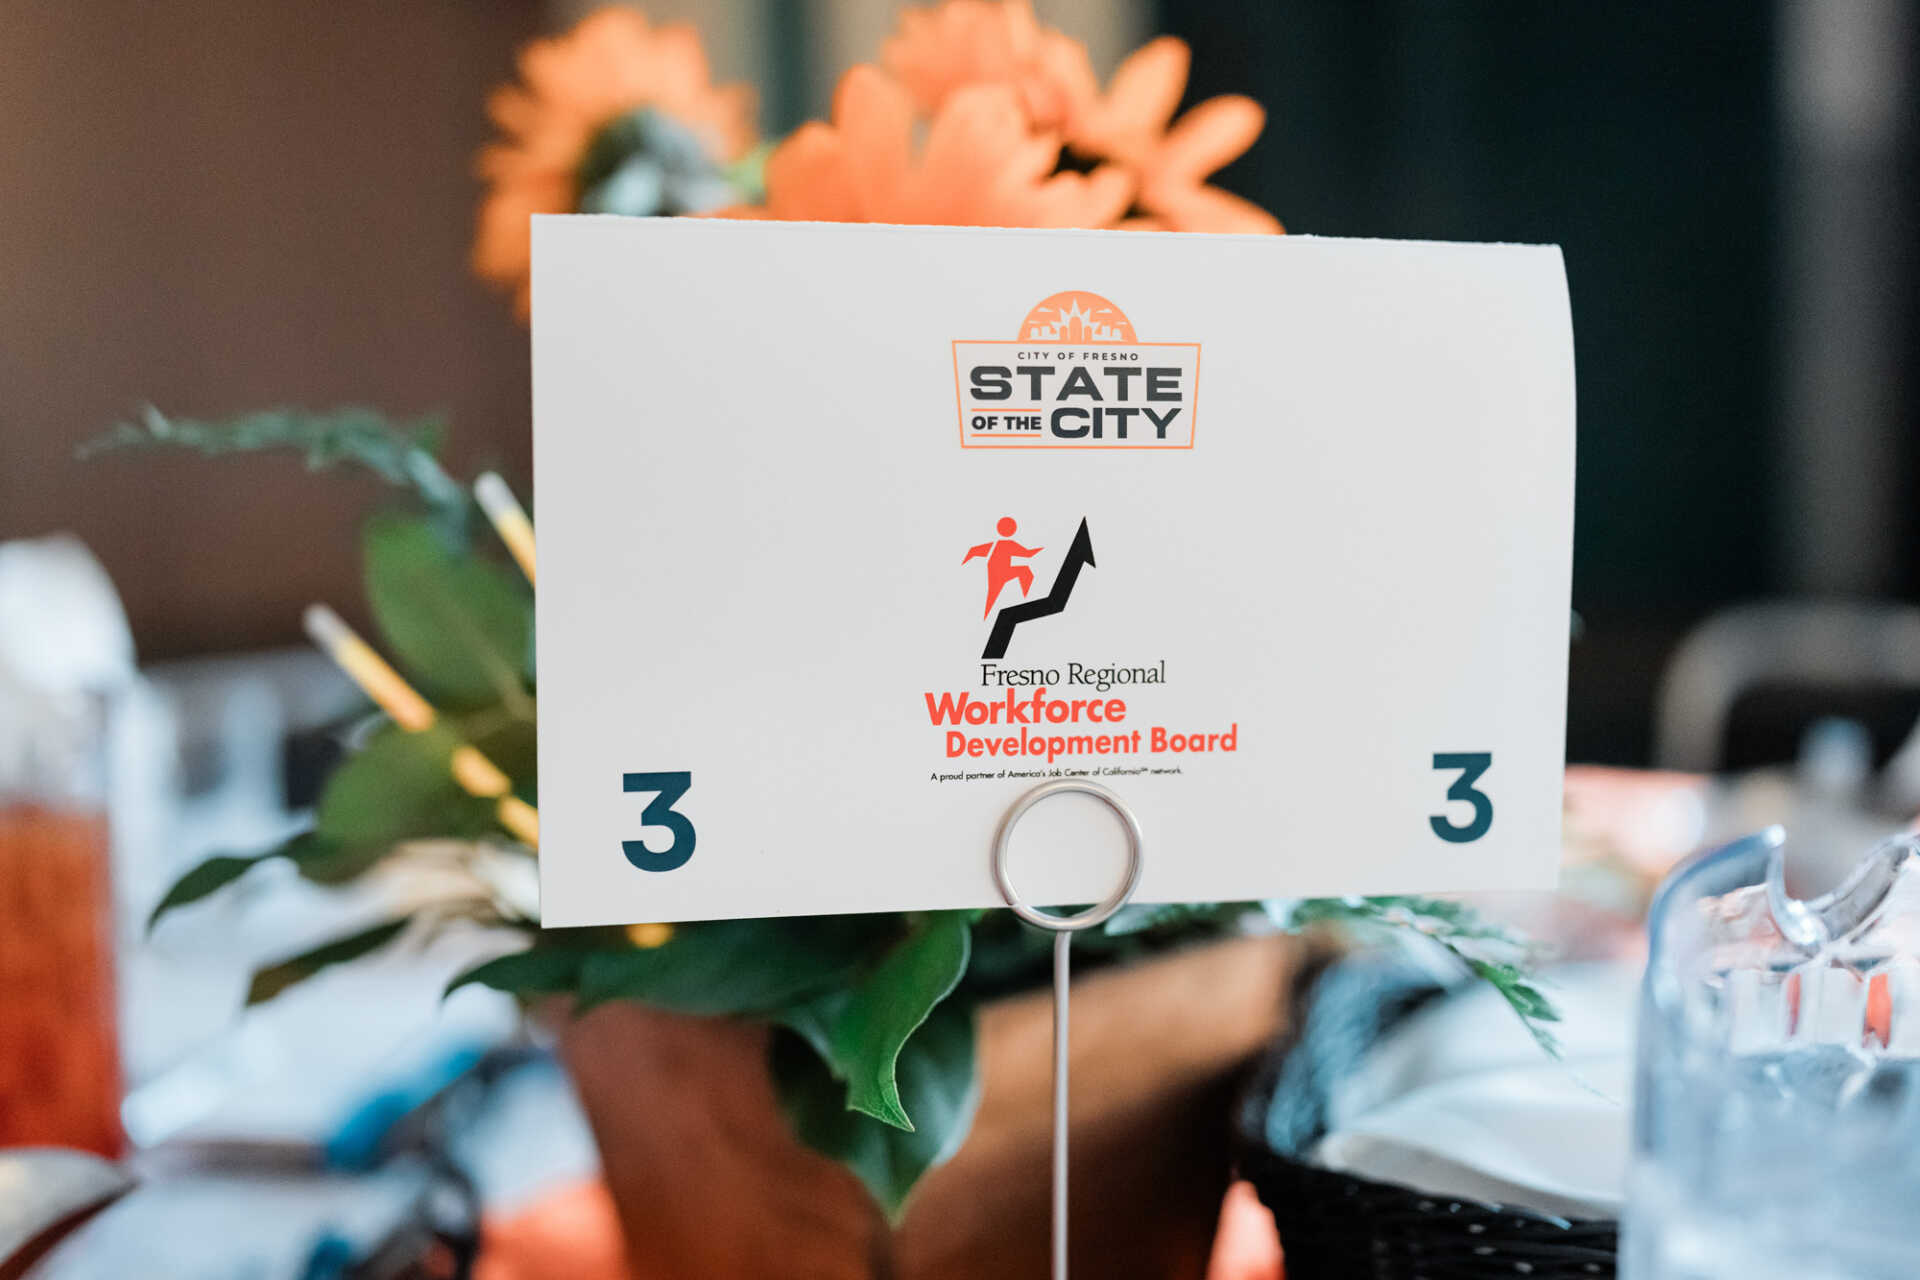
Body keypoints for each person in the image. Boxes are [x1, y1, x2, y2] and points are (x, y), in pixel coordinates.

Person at [963, 517, 1042, 618]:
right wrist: (1041, 549)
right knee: (1025, 572)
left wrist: (965, 561)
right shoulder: (1009, 544)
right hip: (1002, 573)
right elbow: (1028, 554)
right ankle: (1026, 597)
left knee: (992, 597)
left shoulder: (994, 544)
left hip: (995, 572)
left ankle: (1025, 598)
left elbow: (973, 551)